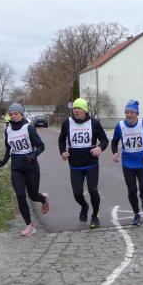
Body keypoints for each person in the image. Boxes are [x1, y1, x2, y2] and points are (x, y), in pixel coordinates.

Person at [0, 103, 49, 237]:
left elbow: (41, 146)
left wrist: (32, 156)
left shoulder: (28, 128)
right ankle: (29, 225)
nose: (14, 116)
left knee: (33, 195)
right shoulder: (8, 130)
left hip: (31, 167)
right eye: (11, 114)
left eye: (16, 114)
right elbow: (9, 148)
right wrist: (4, 161)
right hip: (16, 168)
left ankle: (43, 199)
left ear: (21, 114)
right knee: (20, 196)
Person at [58, 97, 108, 228]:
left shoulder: (94, 123)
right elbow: (61, 139)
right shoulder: (67, 123)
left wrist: (99, 148)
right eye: (75, 108)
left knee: (93, 190)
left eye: (79, 108)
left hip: (91, 164)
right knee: (77, 194)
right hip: (75, 165)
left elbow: (104, 140)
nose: (76, 110)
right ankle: (84, 206)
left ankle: (95, 216)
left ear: (85, 110)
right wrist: (62, 151)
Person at [111, 100, 143, 226]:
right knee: (132, 190)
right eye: (127, 112)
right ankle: (136, 214)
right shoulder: (120, 126)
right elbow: (114, 141)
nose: (129, 115)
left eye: (131, 112)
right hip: (127, 163)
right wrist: (115, 152)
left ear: (137, 113)